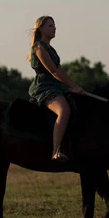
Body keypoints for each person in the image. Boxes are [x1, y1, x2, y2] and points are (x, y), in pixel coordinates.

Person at [27, 15, 84, 162]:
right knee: (64, 110)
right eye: (50, 26)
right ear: (41, 28)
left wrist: (75, 86)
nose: (54, 28)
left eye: (54, 25)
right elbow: (53, 71)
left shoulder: (51, 49)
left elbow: (60, 70)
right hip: (44, 88)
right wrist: (73, 86)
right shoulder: (39, 48)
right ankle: (55, 152)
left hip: (55, 86)